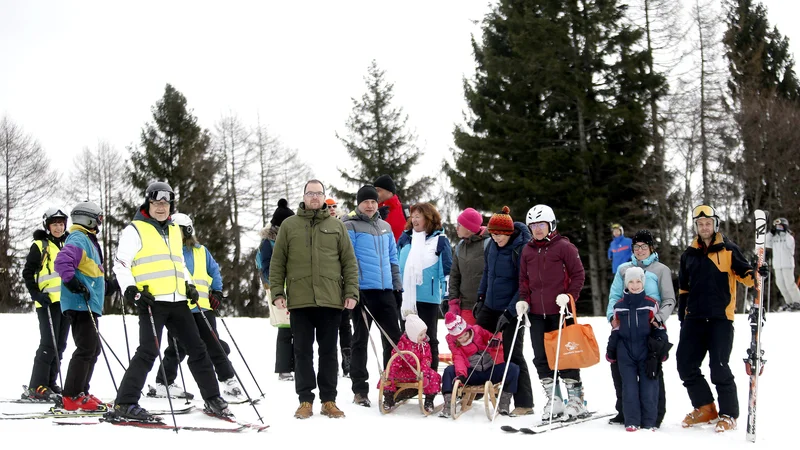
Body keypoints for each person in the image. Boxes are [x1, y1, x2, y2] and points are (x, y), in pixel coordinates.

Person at [109, 181, 230, 422]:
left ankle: (213, 398)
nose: (161, 207)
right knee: (148, 352)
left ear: (170, 205)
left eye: (165, 203)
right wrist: (132, 291)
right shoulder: (135, 230)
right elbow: (121, 264)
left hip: (178, 302)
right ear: (148, 203)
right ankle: (125, 402)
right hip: (152, 302)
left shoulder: (175, 230)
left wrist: (188, 285)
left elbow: (178, 263)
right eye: (156, 203)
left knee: (197, 349)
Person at [270, 179, 359, 420]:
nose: (314, 197)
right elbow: (277, 263)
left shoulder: (337, 226)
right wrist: (278, 293)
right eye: (310, 193)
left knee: (329, 352)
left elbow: (349, 262)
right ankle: (305, 400)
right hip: (300, 301)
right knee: (301, 352)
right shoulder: (289, 226)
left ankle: (329, 400)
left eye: (318, 194)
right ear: (304, 196)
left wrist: (351, 292)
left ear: (324, 197)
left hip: (331, 301)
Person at [677, 205, 760, 433]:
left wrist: (756, 275)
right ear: (696, 227)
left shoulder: (728, 250)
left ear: (715, 224)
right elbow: (684, 289)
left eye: (708, 223)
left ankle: (728, 414)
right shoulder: (688, 255)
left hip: (720, 319)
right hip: (693, 319)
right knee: (685, 364)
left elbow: (745, 275)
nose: (705, 227)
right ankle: (705, 408)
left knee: (719, 367)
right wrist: (683, 318)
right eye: (700, 224)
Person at [151, 213, 241, 398]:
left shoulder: (200, 251)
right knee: (177, 348)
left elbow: (214, 271)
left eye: (177, 231)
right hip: (179, 308)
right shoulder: (168, 252)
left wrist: (216, 291)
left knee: (214, 345)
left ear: (187, 230)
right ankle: (164, 382)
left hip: (202, 307)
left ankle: (228, 380)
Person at [516, 204, 587, 420]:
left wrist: (569, 296)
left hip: (561, 311)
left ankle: (576, 399)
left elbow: (578, 274)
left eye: (541, 225)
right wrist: (523, 301)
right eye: (533, 225)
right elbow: (524, 280)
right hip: (537, 313)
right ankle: (554, 399)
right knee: (541, 357)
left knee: (566, 355)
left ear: (551, 224)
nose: (537, 229)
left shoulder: (565, 247)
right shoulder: (527, 250)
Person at [606, 229, 675, 427]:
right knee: (620, 371)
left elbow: (669, 299)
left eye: (644, 246)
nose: (640, 250)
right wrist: (612, 317)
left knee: (651, 372)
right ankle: (625, 412)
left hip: (651, 327)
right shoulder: (623, 269)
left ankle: (655, 414)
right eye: (636, 247)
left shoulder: (660, 270)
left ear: (651, 248)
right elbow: (614, 296)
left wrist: (659, 319)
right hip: (625, 326)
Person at [343, 185, 404, 408]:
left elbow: (393, 259)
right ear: (358, 203)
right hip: (363, 292)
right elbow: (347, 260)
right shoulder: (349, 226)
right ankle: (360, 389)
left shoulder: (385, 227)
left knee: (393, 339)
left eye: (373, 201)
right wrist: (352, 289)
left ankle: (392, 385)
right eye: (365, 202)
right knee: (360, 340)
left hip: (385, 291)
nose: (369, 205)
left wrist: (397, 287)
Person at [474, 206, 534, 416]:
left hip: (514, 308)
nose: (496, 238)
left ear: (508, 233)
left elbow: (524, 285)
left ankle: (525, 403)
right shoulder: (491, 246)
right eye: (493, 234)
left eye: (499, 235)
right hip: (490, 305)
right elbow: (487, 273)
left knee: (512, 354)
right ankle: (473, 388)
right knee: (474, 343)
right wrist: (481, 298)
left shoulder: (522, 249)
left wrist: (510, 312)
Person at [53, 201, 106, 411]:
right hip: (79, 303)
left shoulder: (88, 241)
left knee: (93, 349)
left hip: (88, 304)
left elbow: (90, 273)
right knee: (86, 349)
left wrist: (110, 285)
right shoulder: (78, 238)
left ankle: (81, 391)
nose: (100, 222)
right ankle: (71, 396)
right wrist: (73, 283)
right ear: (89, 219)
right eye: (99, 218)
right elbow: (62, 262)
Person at [21, 207, 71, 402]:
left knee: (60, 344)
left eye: (61, 223)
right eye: (54, 224)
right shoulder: (40, 245)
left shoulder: (68, 243)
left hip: (65, 301)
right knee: (48, 344)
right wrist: (36, 294)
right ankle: (37, 385)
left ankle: (50, 382)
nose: (58, 227)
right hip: (47, 301)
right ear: (47, 226)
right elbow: (28, 272)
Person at [398, 202, 452, 371]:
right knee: (407, 339)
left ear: (428, 218)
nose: (414, 220)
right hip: (406, 299)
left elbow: (447, 270)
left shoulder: (440, 240)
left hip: (428, 298)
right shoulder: (405, 239)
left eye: (418, 216)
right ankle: (409, 378)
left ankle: (430, 378)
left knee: (429, 339)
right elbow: (396, 265)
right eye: (412, 216)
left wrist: (447, 295)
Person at [439, 313, 518, 418]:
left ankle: (504, 401)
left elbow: (491, 337)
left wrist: (494, 341)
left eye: (465, 335)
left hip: (489, 371)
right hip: (472, 373)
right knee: (449, 370)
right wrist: (461, 374)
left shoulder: (477, 330)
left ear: (467, 329)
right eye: (460, 338)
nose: (464, 339)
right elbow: (458, 358)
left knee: (512, 368)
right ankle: (448, 403)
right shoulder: (453, 343)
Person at [259, 198, 295, 381]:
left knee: (297, 326)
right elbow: (265, 266)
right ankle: (283, 368)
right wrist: (275, 286)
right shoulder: (269, 242)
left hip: (296, 286)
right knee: (284, 327)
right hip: (278, 288)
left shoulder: (293, 238)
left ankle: (296, 364)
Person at [379, 314, 441, 412]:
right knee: (388, 373)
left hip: (418, 372)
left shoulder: (424, 345)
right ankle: (388, 397)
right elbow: (395, 360)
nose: (424, 337)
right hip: (404, 372)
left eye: (424, 333)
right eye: (421, 335)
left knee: (433, 375)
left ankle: (429, 399)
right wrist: (390, 372)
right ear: (412, 335)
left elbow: (426, 359)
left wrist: (423, 374)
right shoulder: (402, 344)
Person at [325, 197, 353, 378]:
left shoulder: (344, 226)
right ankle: (330, 361)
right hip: (327, 284)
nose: (332, 209)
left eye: (334, 206)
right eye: (328, 207)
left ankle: (348, 360)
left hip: (342, 283)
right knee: (328, 325)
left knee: (345, 323)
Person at [447, 207, 489, 325]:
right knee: (467, 343)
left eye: (460, 224)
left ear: (469, 228)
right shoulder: (460, 246)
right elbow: (454, 276)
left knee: (489, 342)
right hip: (466, 307)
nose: (457, 228)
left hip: (487, 307)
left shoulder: (489, 243)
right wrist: (453, 302)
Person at [766, 218, 800, 311]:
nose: (778, 228)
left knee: (789, 284)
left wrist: (787, 232)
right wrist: (770, 232)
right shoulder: (774, 238)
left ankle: (797, 302)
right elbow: (766, 243)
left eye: (780, 226)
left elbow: (790, 244)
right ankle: (789, 302)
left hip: (787, 264)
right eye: (777, 226)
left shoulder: (788, 237)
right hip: (777, 265)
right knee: (780, 284)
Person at [374, 174, 406, 242]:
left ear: (389, 192)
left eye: (378, 190)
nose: (375, 194)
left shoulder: (407, 211)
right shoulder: (372, 212)